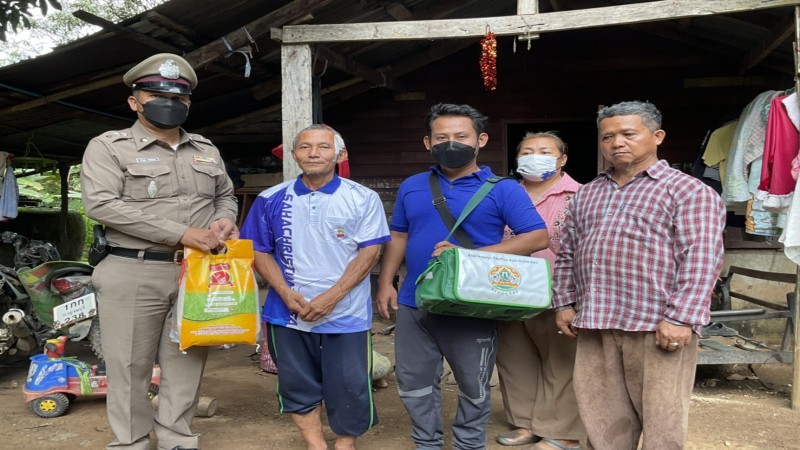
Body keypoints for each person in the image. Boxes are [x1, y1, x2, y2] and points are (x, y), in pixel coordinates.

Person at [81, 53, 239, 450]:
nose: (170, 103)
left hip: (197, 271)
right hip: (133, 270)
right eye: (156, 94)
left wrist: (223, 219)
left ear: (188, 102)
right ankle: (132, 442)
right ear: (135, 101)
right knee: (129, 366)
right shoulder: (108, 147)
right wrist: (183, 232)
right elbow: (102, 205)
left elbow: (225, 194)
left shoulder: (205, 148)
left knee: (187, 361)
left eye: (180, 98)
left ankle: (176, 438)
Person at [553, 101, 726, 449]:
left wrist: (681, 318)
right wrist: (564, 302)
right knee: (602, 417)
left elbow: (701, 258)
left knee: (662, 421)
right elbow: (568, 252)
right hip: (597, 321)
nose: (617, 143)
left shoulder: (689, 191)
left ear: (657, 136)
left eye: (629, 134)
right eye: (608, 136)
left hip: (657, 324)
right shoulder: (587, 193)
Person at [377, 103, 549, 450]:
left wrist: (468, 256)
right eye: (441, 137)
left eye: (460, 136)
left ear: (480, 140)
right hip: (415, 300)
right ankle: (427, 442)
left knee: (474, 383)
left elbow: (537, 237)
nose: (450, 143)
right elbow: (399, 235)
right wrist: (385, 282)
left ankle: (469, 444)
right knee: (413, 381)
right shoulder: (413, 185)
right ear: (428, 142)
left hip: (471, 304)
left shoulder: (503, 188)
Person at [240, 124, 390, 450]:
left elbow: (370, 251)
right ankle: (315, 442)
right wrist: (283, 291)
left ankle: (345, 443)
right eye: (305, 147)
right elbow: (258, 250)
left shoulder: (363, 198)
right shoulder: (269, 199)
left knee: (350, 382)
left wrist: (332, 296)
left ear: (340, 154)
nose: (313, 153)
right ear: (294, 155)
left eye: (323, 147)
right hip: (287, 310)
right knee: (297, 381)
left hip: (346, 311)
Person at [495, 132, 586, 450]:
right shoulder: (504, 195)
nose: (535, 156)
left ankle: (560, 430)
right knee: (514, 359)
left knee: (560, 360)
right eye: (527, 151)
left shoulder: (580, 195)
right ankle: (525, 424)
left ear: (562, 160)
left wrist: (575, 297)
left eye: (545, 151)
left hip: (557, 292)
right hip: (505, 290)